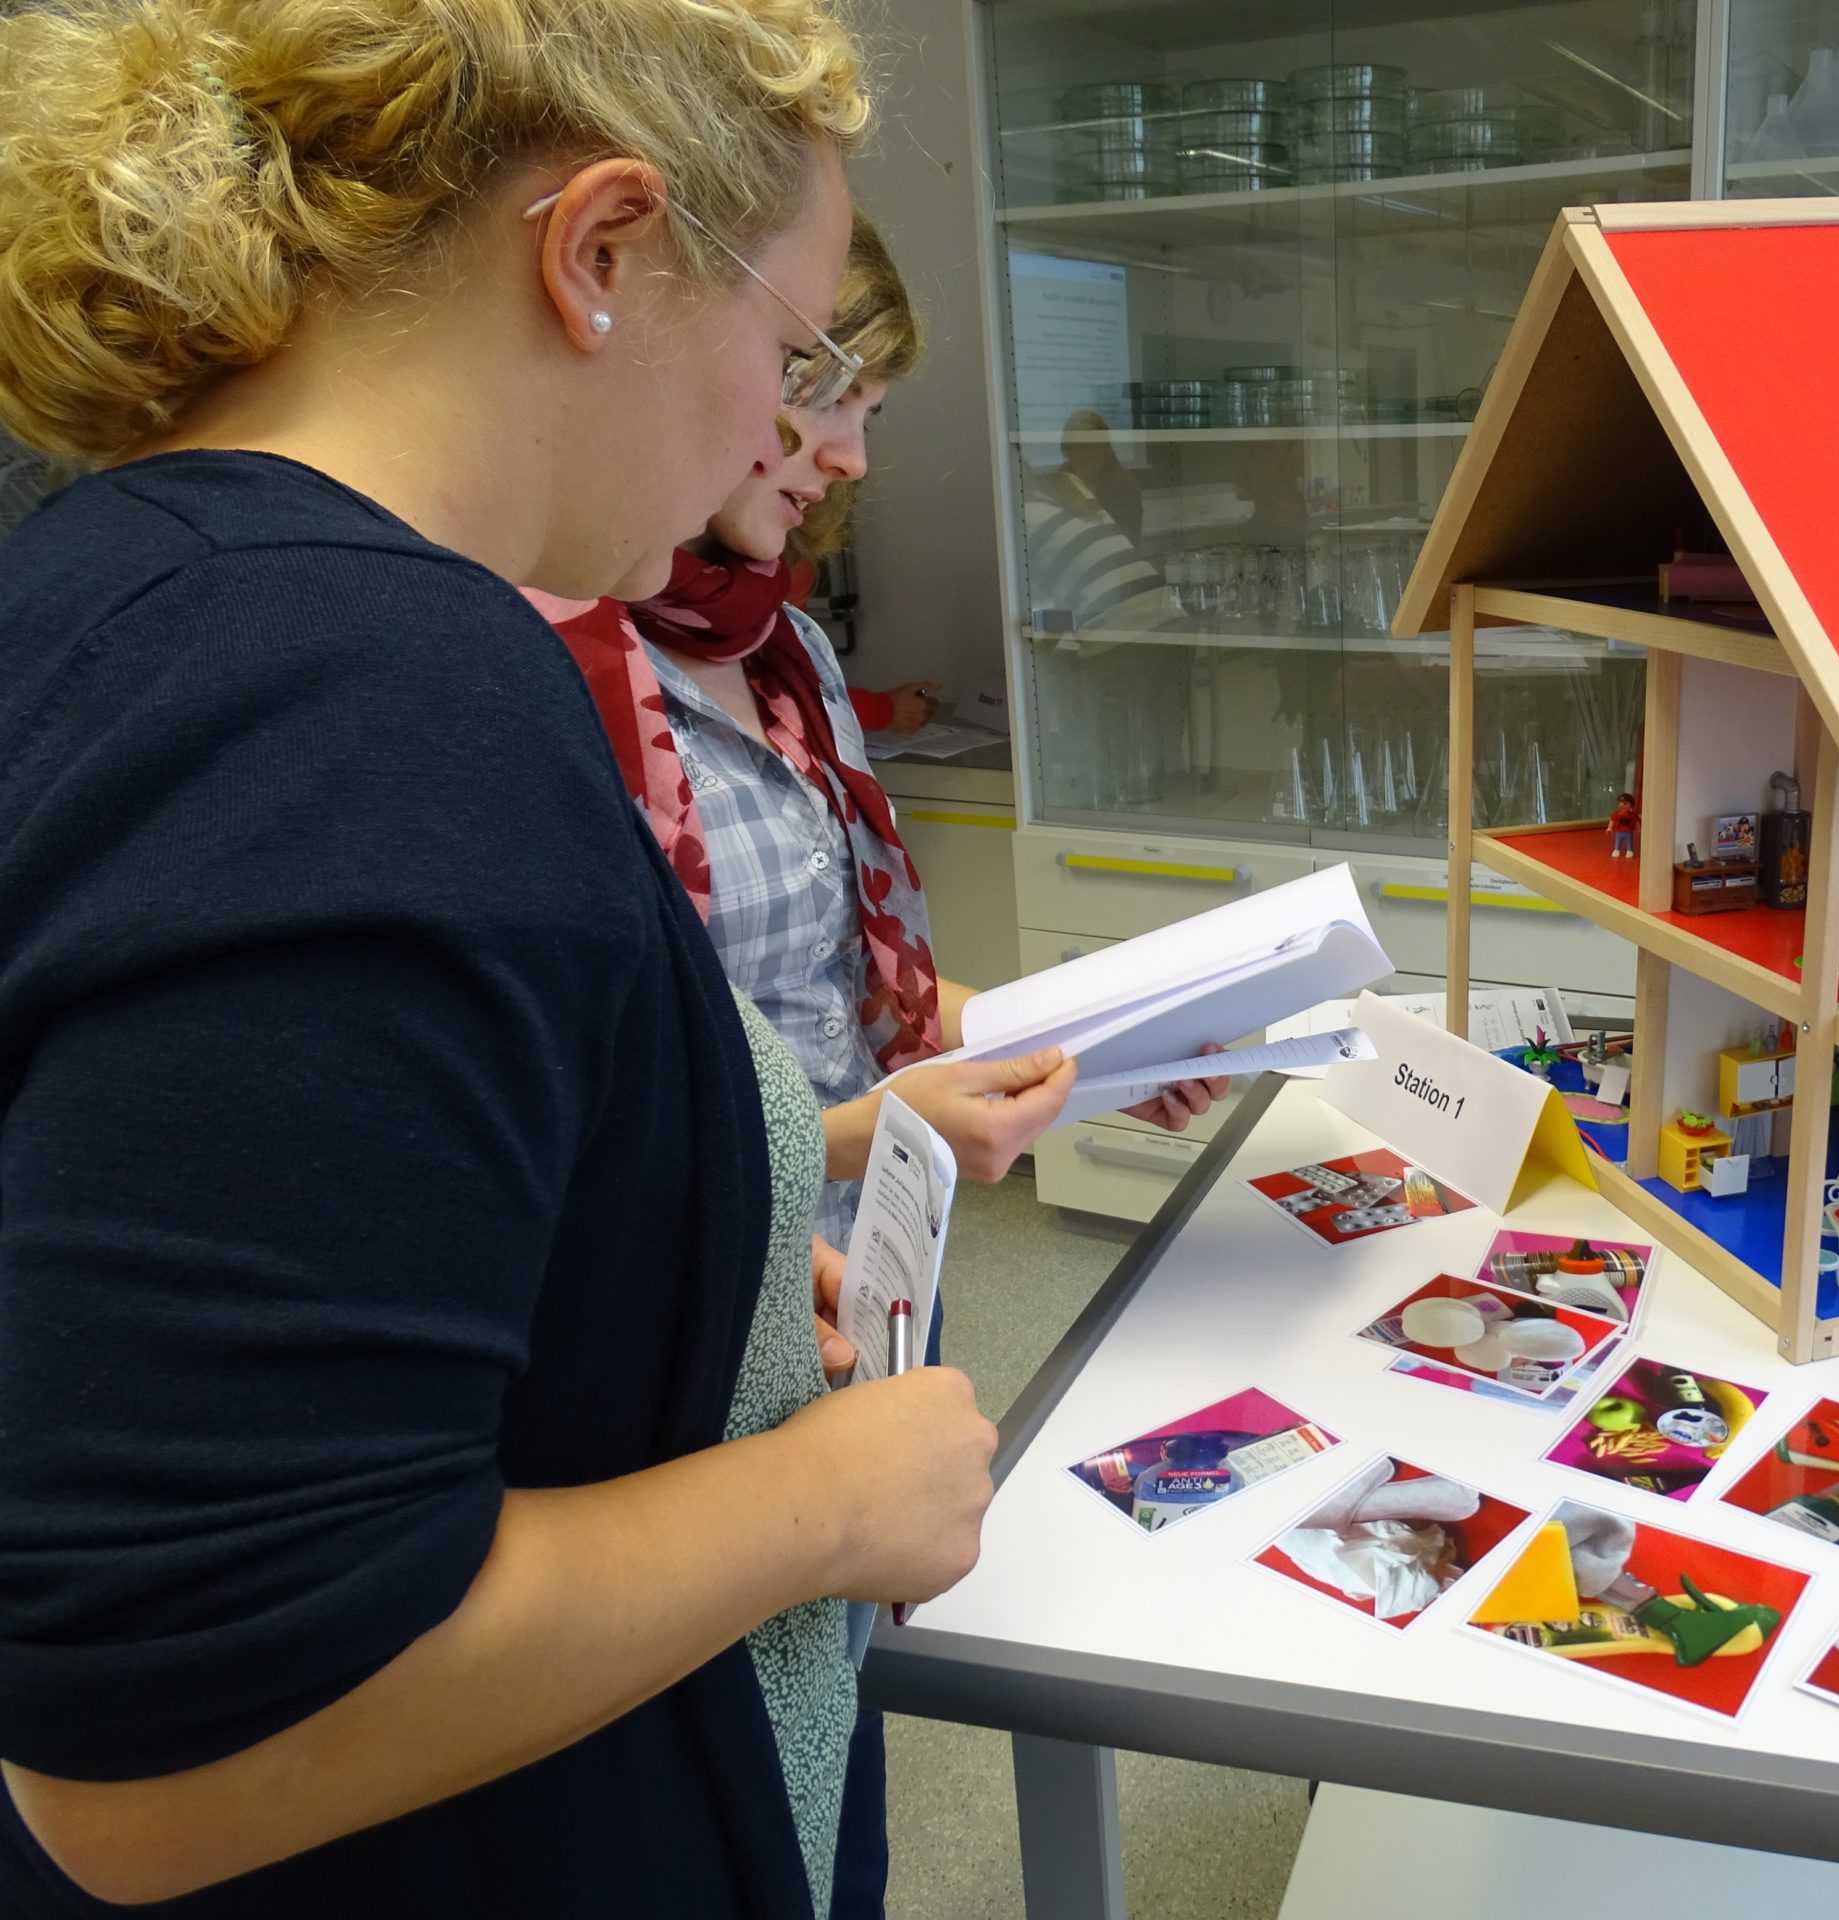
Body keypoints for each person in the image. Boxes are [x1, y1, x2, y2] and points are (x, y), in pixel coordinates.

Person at [0, 5, 999, 1915]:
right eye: (788, 350)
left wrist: (667, 1252)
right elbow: (172, 1749)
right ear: (600, 252)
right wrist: (826, 1504)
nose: (789, 436)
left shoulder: (117, 586)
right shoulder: (355, 703)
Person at [538, 216, 1227, 1916]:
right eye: (821, 395)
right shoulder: (547, 667)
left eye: (867, 408)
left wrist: (1092, 1035)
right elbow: (607, 1123)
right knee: (726, 1779)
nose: (849, 456)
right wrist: (867, 1125)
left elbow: (848, 985)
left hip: (852, 1295)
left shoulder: (783, 648)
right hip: (691, 1352)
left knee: (827, 1735)